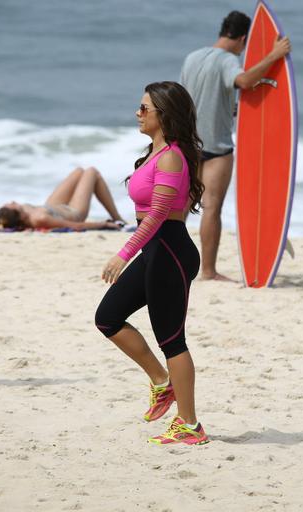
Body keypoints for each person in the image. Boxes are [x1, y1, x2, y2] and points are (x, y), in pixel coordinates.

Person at [94, 81, 207, 445]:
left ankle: (189, 425)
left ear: (164, 114)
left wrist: (123, 255)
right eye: (139, 107)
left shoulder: (172, 156)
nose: (138, 113)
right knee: (108, 317)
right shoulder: (155, 154)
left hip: (170, 252)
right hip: (156, 251)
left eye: (145, 108)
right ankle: (162, 383)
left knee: (172, 339)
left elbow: (158, 214)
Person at [180, 10, 291, 280]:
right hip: (216, 148)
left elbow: (187, 98)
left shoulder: (192, 57)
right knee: (211, 207)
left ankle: (170, 262)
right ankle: (207, 271)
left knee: (180, 208)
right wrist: (274, 56)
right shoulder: (228, 60)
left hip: (187, 143)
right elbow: (243, 80)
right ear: (242, 39)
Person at [0, 167, 126, 230]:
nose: (12, 202)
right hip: (73, 212)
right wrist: (104, 224)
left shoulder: (20, 212)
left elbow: (4, 221)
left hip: (52, 207)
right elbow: (75, 226)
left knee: (79, 171)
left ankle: (117, 217)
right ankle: (117, 218)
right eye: (11, 205)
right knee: (92, 172)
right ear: (22, 217)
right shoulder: (40, 219)